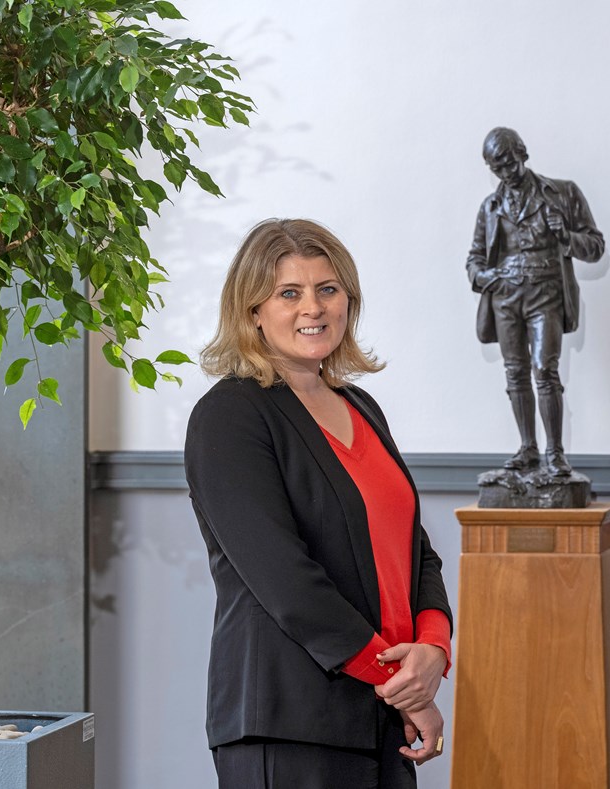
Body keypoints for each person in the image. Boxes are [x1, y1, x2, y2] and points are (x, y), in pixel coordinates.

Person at [186, 219, 453, 789]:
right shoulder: (230, 415)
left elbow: (415, 551)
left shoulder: (362, 406)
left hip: (378, 718)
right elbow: (287, 583)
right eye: (290, 293)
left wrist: (433, 647)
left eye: (328, 289)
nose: (314, 307)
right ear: (252, 309)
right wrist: (400, 683)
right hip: (290, 722)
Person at [466, 127, 605, 477]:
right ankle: (528, 448)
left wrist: (565, 236)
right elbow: (474, 260)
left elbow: (595, 247)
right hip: (506, 298)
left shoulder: (562, 193)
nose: (506, 173)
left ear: (523, 154)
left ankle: (554, 453)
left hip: (546, 292)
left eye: (510, 163)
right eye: (497, 168)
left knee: (545, 370)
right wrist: (487, 277)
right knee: (515, 373)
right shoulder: (491, 207)